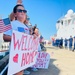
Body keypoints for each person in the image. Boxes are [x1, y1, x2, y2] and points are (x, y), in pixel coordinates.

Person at [3, 4, 29, 75]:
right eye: (20, 10)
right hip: (16, 54)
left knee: (21, 72)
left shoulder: (26, 27)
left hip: (24, 54)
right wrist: (18, 38)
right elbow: (5, 37)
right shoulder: (11, 24)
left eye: (24, 11)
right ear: (15, 14)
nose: (22, 12)